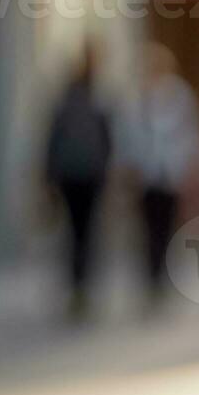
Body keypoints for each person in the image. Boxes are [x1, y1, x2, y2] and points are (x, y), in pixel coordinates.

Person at [124, 44, 199, 311]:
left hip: (171, 175)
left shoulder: (179, 96)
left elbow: (189, 135)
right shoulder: (139, 98)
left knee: (167, 228)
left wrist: (194, 168)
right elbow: (129, 137)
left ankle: (163, 280)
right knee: (148, 230)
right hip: (147, 176)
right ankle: (151, 281)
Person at [43, 46, 113, 323]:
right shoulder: (96, 101)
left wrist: (48, 177)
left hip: (77, 177)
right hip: (83, 177)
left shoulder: (72, 101)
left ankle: (80, 288)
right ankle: (79, 288)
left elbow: (52, 142)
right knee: (83, 235)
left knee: (77, 235)